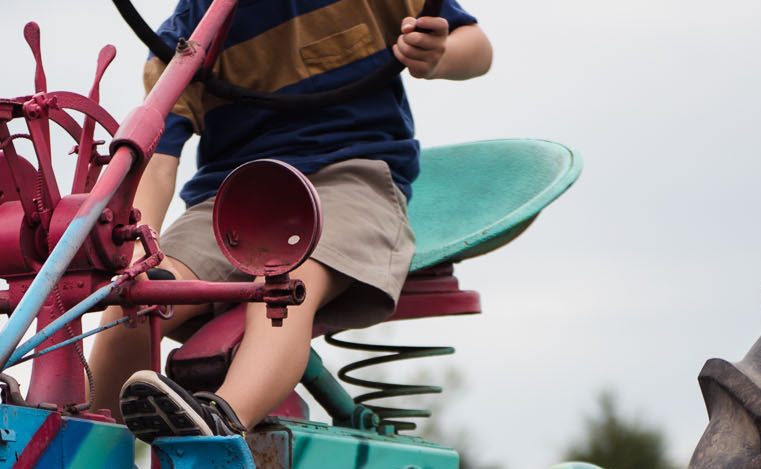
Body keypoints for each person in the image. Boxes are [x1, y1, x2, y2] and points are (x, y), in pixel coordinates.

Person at [90, 0, 493, 442]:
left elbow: (475, 46)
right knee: (138, 303)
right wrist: (134, 260)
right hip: (230, 200)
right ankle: (75, 456)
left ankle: (221, 430)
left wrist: (438, 56)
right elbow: (158, 164)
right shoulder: (189, 32)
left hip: (350, 180)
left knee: (285, 282)